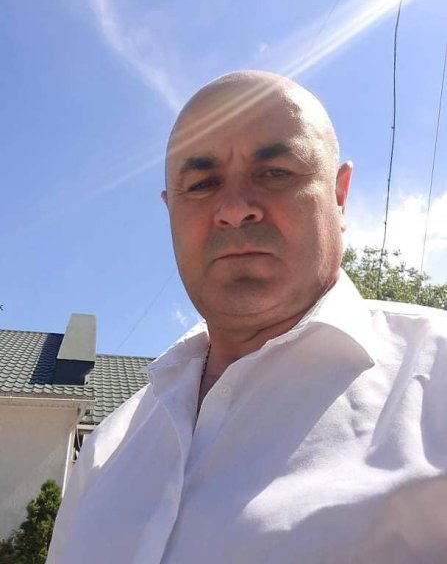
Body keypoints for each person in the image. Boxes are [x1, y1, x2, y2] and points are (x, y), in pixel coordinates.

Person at [48, 71, 447, 563]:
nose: (234, 209)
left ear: (339, 195)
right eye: (201, 183)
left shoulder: (436, 383)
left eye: (275, 172)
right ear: (170, 209)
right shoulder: (106, 450)